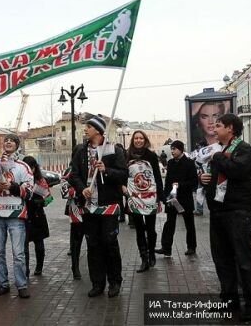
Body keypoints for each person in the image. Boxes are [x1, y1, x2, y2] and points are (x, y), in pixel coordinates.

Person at [200, 114, 251, 322]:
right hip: (219, 212)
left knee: (244, 261)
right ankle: (229, 301)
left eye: (218, 126)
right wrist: (204, 179)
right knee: (223, 260)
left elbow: (237, 171)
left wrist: (218, 158)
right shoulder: (223, 151)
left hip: (238, 212)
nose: (214, 129)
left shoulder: (242, 149)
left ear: (230, 129)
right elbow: (219, 179)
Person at [68, 115, 127, 298]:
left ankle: (115, 282)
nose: (85, 130)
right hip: (88, 205)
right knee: (92, 244)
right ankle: (97, 283)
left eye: (88, 127)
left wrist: (106, 170)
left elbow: (123, 174)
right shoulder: (80, 150)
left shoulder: (113, 149)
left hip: (108, 204)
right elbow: (73, 174)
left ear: (98, 130)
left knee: (109, 242)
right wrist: (82, 188)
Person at [0, 133, 34, 299]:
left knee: (18, 254)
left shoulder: (23, 166)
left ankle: (22, 285)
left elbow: (30, 191)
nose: (8, 142)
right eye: (6, 140)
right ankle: (2, 284)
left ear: (17, 145)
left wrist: (12, 186)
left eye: (12, 140)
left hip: (16, 215)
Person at [123, 130, 164, 273]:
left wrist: (160, 196)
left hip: (150, 196)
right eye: (136, 138)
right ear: (133, 140)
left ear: (145, 140)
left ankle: (151, 252)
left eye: (141, 138)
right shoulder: (127, 155)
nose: (138, 140)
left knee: (151, 230)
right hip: (134, 198)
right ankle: (144, 259)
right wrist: (123, 187)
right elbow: (124, 174)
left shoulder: (151, 155)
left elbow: (157, 176)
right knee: (139, 229)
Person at [155, 140, 198, 258]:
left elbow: (194, 182)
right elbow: (168, 181)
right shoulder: (171, 163)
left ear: (181, 150)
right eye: (172, 149)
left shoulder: (189, 163)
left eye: (174, 149)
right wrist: (164, 196)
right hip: (172, 199)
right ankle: (166, 248)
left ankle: (191, 247)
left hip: (185, 199)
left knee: (189, 223)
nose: (172, 151)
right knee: (169, 223)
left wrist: (180, 185)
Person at [22, 156, 51, 277]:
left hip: (37, 216)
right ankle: (26, 269)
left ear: (34, 168)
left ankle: (39, 267)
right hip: (23, 215)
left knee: (39, 243)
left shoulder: (39, 180)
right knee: (24, 246)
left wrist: (39, 202)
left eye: (30, 168)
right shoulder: (20, 179)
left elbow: (49, 199)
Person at [61, 167, 84, 280]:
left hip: (94, 211)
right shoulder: (70, 171)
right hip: (76, 211)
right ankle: (75, 267)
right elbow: (64, 191)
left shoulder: (96, 168)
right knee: (76, 242)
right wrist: (81, 191)